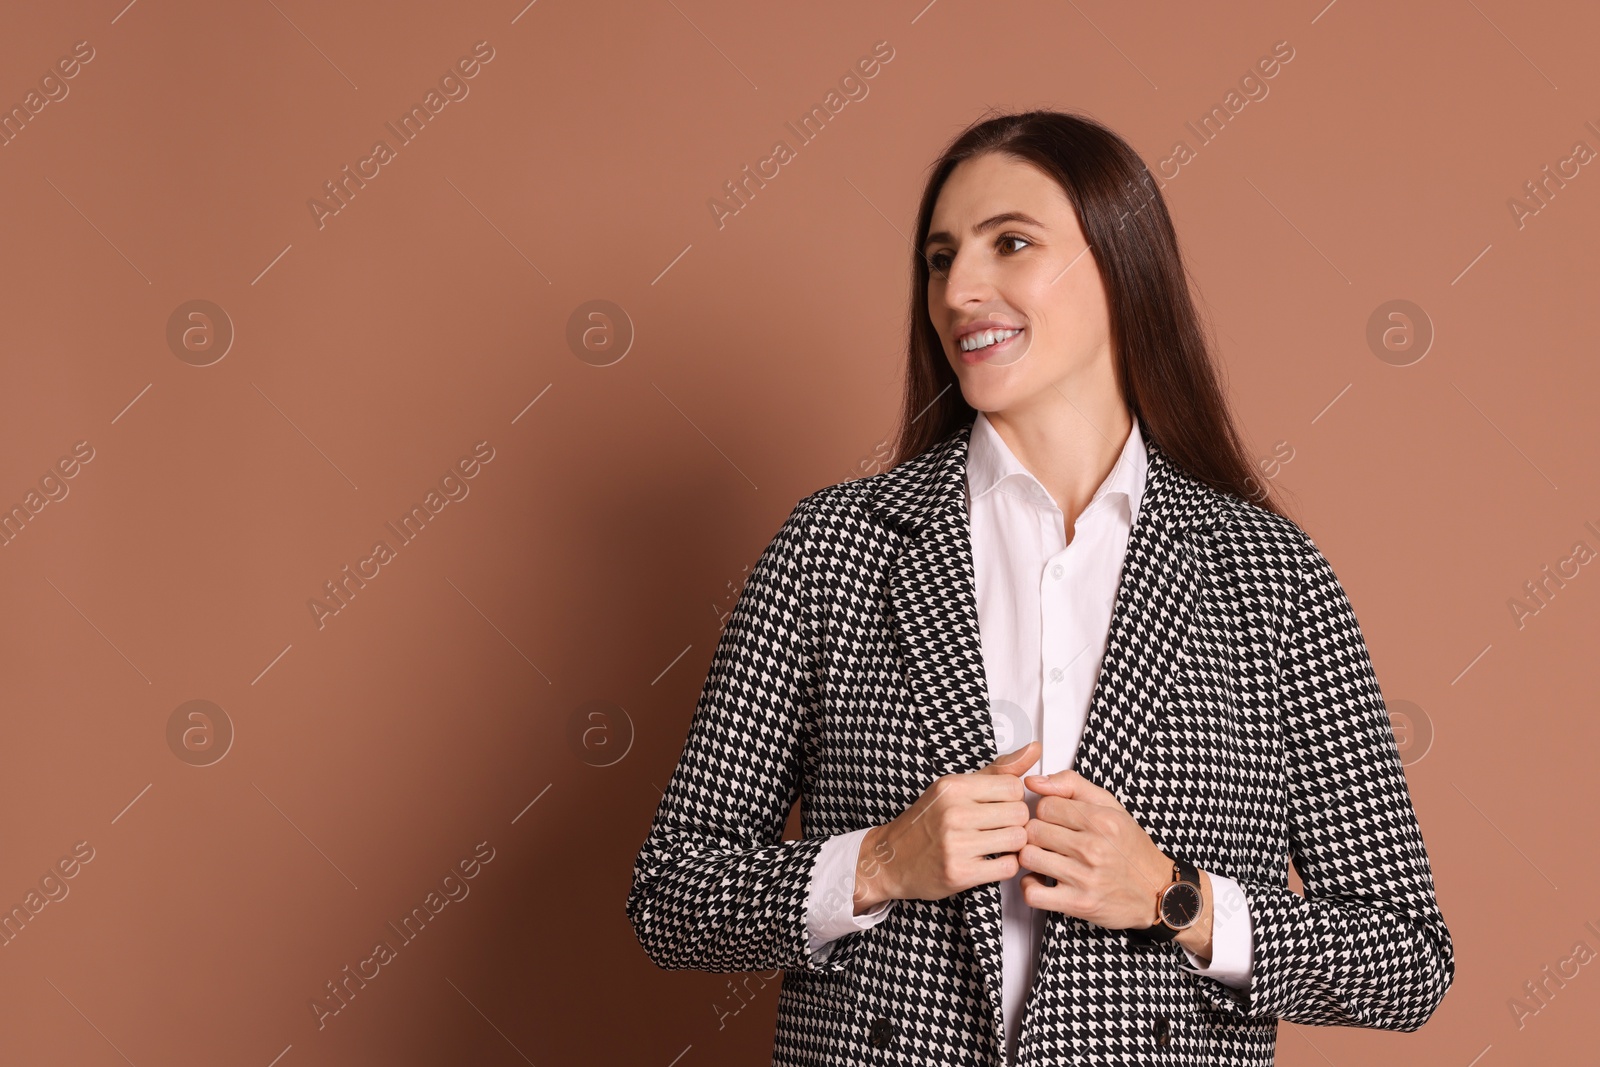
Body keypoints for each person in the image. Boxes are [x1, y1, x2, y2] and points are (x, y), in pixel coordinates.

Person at [626, 109, 1454, 1066]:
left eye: (1009, 243)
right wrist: (880, 862)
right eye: (940, 259)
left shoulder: (1267, 575)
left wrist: (1172, 897)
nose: (960, 290)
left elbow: (1405, 958)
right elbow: (673, 899)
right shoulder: (836, 547)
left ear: (1120, 266)